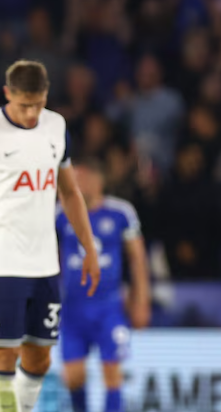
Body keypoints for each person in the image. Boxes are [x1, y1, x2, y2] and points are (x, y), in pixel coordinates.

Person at [0, 59, 100, 412]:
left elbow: (69, 192)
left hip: (45, 264)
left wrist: (89, 247)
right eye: (24, 105)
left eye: (38, 104)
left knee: (39, 359)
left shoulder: (56, 126)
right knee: (3, 354)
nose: (31, 113)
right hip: (0, 263)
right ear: (7, 93)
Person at [56, 158, 150, 412]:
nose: (73, 185)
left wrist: (141, 301)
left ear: (97, 181)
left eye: (79, 179)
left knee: (112, 372)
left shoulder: (121, 212)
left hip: (109, 307)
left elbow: (138, 259)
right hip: (73, 309)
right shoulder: (60, 215)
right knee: (73, 376)